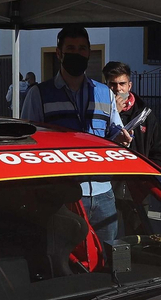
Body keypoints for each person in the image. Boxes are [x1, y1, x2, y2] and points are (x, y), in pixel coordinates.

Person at [22, 27, 131, 242]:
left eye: (82, 48)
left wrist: (122, 139)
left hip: (103, 194)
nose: (77, 53)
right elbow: (26, 144)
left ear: (89, 53)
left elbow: (115, 131)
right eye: (70, 48)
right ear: (59, 53)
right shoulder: (39, 94)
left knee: (106, 259)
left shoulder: (104, 93)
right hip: (61, 196)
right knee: (64, 262)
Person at [103, 61, 161, 162]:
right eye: (113, 84)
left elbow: (159, 150)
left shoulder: (144, 113)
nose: (118, 89)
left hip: (139, 173)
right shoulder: (100, 110)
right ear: (106, 85)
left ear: (129, 86)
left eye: (122, 84)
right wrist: (114, 112)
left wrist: (150, 176)